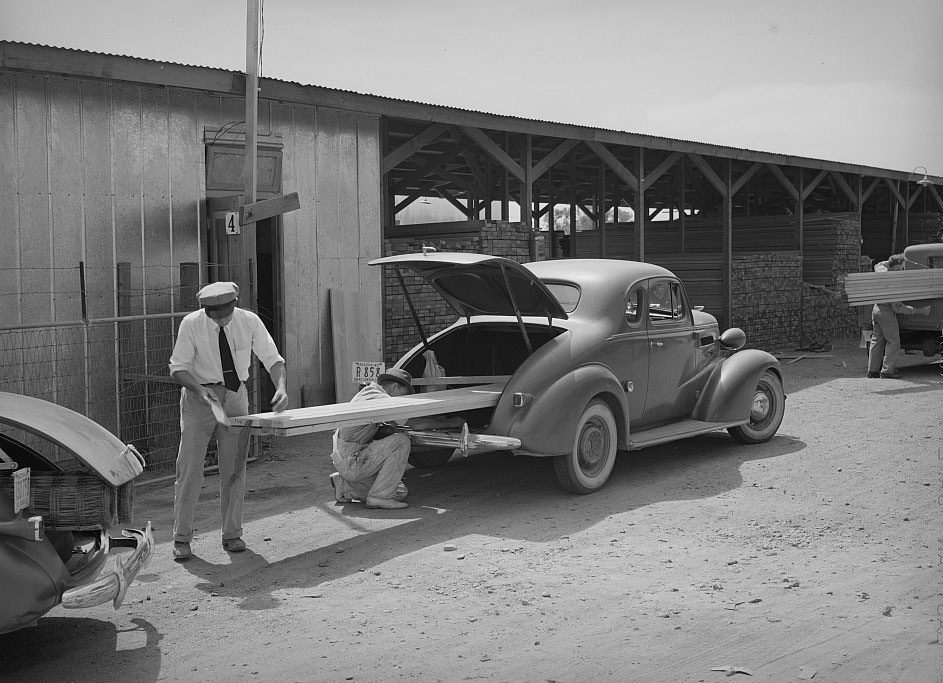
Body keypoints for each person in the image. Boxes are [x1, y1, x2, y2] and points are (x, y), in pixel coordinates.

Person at [168, 281, 288, 560]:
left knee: (235, 469)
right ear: (205, 310)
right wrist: (200, 390)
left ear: (236, 304)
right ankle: (182, 538)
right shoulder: (191, 324)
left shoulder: (250, 321)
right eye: (214, 313)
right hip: (199, 398)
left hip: (235, 396)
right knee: (190, 469)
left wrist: (281, 388)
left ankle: (232, 534)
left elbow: (273, 359)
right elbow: (178, 367)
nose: (221, 318)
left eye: (225, 312)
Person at [329, 368, 462, 510]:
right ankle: (379, 497)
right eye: (404, 395)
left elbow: (399, 422)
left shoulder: (370, 394)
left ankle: (344, 486)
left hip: (346, 458)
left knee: (400, 491)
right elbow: (414, 423)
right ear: (395, 387)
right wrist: (450, 423)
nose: (404, 400)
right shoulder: (379, 398)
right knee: (401, 441)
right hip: (352, 460)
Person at [866, 255, 930, 379]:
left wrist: (893, 261)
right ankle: (887, 371)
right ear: (895, 268)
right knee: (893, 341)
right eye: (901, 268)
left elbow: (879, 264)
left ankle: (872, 371)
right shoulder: (892, 282)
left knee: (877, 340)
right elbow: (898, 308)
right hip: (886, 314)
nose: (902, 271)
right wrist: (919, 311)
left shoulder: (880, 271)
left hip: (876, 310)